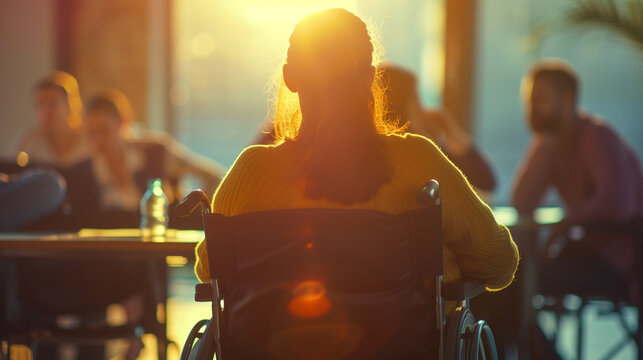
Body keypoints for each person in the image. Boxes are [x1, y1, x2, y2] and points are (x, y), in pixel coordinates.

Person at [195, 8, 517, 302]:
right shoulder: (419, 162)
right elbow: (498, 263)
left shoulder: (251, 172)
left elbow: (211, 270)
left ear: (290, 78)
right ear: (369, 78)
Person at [512, 60, 643, 266]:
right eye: (529, 99)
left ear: (568, 100)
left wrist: (566, 223)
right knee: (516, 273)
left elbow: (617, 203)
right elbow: (521, 203)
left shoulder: (597, 136)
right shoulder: (548, 143)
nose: (532, 106)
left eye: (541, 98)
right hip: (585, 251)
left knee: (529, 277)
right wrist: (543, 150)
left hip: (621, 260)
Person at [85, 89, 225, 211]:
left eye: (104, 130)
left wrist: (191, 215)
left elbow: (214, 178)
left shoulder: (155, 152)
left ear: (122, 122)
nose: (98, 140)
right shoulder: (86, 168)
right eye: (91, 132)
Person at [380, 64, 497, 192]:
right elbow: (485, 182)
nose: (422, 107)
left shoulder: (421, 144)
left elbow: (486, 182)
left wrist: (447, 133)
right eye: (415, 98)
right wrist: (451, 131)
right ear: (399, 106)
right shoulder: (417, 149)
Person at [14, 71, 90, 168]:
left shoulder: (89, 141)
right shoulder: (30, 142)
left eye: (53, 103)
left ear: (70, 106)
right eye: (40, 104)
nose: (46, 110)